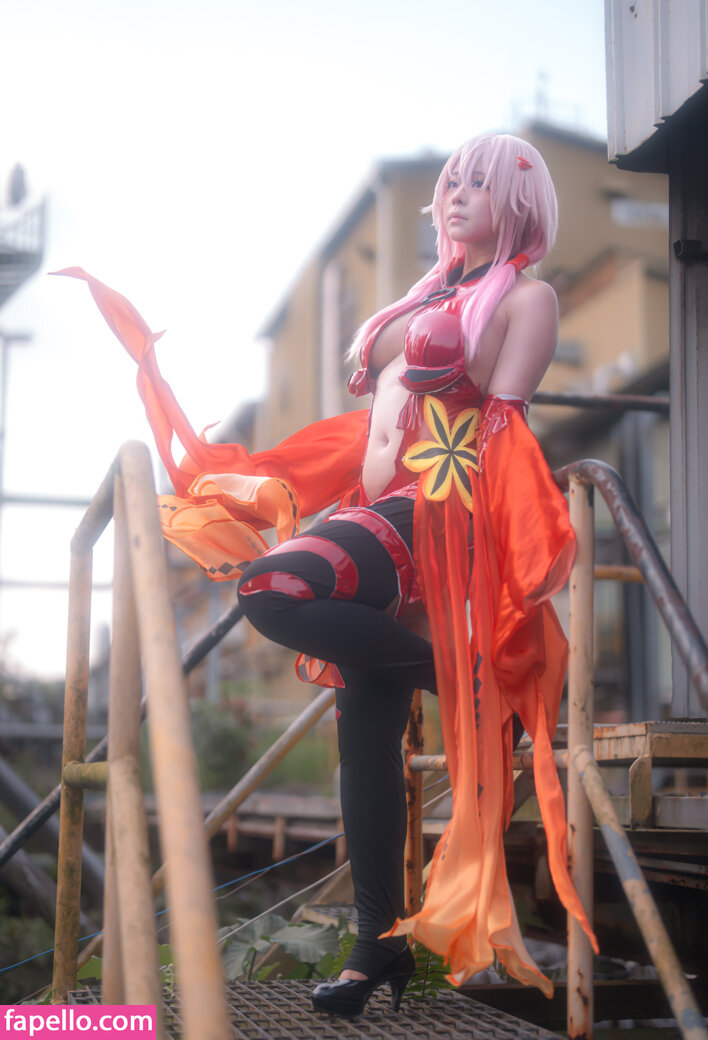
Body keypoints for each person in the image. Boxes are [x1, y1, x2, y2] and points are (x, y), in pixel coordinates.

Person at [59, 131, 597, 1018]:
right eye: (450, 182)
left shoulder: (526, 298)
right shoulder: (429, 293)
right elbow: (378, 421)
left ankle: (467, 681)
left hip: (442, 512)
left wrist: (495, 534)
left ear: (522, 201)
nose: (456, 195)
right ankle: (376, 943)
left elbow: (504, 430)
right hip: (378, 506)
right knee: (366, 739)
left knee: (272, 588)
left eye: (480, 183)